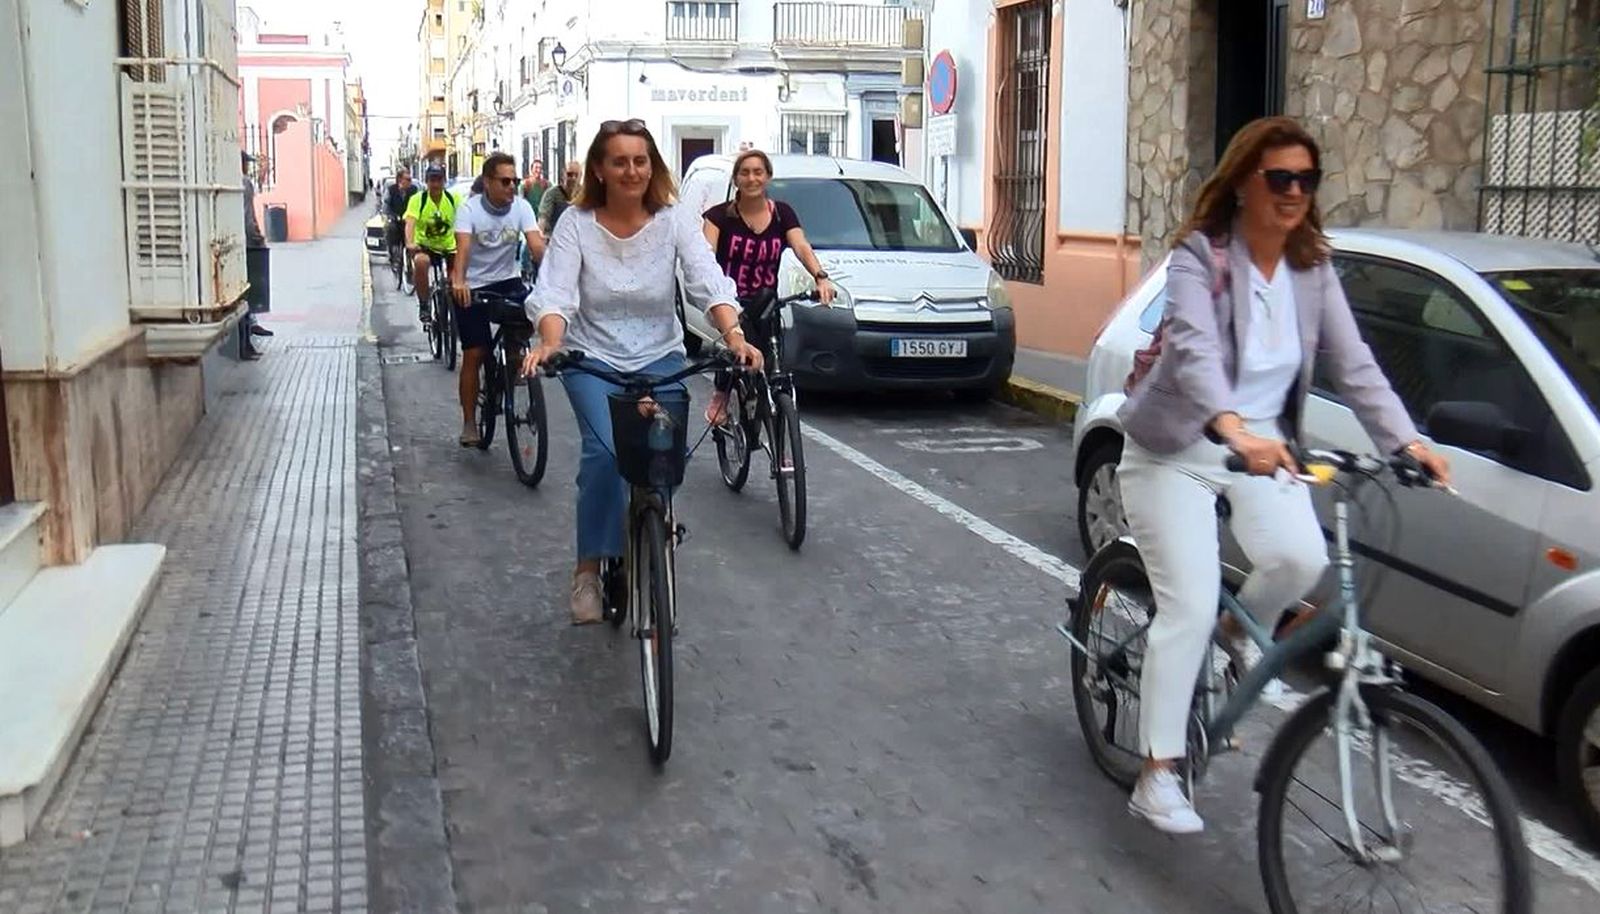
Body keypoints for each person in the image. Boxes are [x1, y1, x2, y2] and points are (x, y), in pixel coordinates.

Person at [1115, 116, 1451, 834]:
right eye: (1280, 178)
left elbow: (1355, 365)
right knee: (1192, 604)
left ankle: (1245, 640)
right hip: (1178, 450)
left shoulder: (1312, 269)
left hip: (1266, 451)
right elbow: (1199, 354)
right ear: (1242, 183)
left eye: (1307, 179)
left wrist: (1406, 442)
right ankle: (1157, 773)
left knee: (1302, 558)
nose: (1294, 191)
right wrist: (1233, 427)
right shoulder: (1198, 259)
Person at [522, 119, 762, 624]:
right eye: (619, 161)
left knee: (662, 452)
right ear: (599, 170)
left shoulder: (673, 220)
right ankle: (588, 569)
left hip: (660, 354)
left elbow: (705, 278)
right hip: (592, 357)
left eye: (640, 160)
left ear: (651, 167)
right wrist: (550, 342)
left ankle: (652, 525)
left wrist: (734, 336)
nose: (631, 170)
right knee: (605, 452)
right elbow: (557, 293)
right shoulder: (576, 224)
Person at [700, 149, 834, 424]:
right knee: (737, 354)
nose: (752, 178)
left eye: (758, 172)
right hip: (731, 302)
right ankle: (721, 394)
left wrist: (820, 277)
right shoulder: (718, 217)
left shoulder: (782, 214)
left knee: (774, 371)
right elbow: (704, 259)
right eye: (745, 172)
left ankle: (780, 442)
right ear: (736, 179)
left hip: (766, 302)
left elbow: (800, 246)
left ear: (768, 177)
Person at [451, 152, 545, 447]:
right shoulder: (469, 210)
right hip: (473, 285)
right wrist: (459, 281)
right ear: (488, 182)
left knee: (529, 317)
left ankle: (510, 366)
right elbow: (463, 249)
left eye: (515, 181)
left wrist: (554, 280)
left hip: (508, 281)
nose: (511, 187)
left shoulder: (522, 206)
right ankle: (469, 422)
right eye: (505, 181)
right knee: (475, 353)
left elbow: (536, 246)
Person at [405, 164, 459, 325]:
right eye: (432, 180)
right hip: (425, 247)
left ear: (444, 181)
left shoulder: (453, 199)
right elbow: (410, 222)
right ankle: (424, 304)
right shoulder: (418, 200)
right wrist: (410, 242)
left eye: (439, 180)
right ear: (426, 182)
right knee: (421, 262)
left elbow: (466, 220)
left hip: (449, 247)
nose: (435, 184)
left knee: (457, 276)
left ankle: (453, 309)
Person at [240, 151, 272, 357]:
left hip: (234, 240)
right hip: (246, 242)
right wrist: (257, 236)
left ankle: (251, 325)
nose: (248, 167)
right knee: (247, 289)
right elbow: (248, 214)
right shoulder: (245, 183)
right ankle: (248, 335)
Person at [538, 160, 582, 237]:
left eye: (576, 175)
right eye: (570, 174)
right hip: (554, 238)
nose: (573, 178)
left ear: (580, 177)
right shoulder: (551, 194)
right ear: (563, 175)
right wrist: (540, 234)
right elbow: (543, 218)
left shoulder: (584, 195)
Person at [385, 168, 418, 247]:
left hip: (410, 219)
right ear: (400, 179)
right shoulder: (391, 190)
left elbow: (419, 204)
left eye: (410, 179)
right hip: (396, 220)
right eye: (408, 179)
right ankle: (393, 252)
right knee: (391, 229)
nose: (410, 182)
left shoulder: (414, 190)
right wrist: (393, 216)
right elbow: (386, 206)